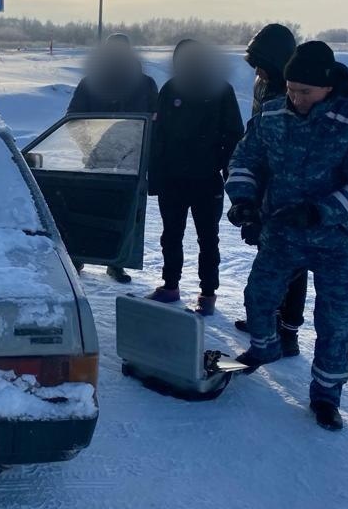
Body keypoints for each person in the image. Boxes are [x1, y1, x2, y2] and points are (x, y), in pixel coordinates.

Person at [225, 41, 348, 431]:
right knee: (258, 297)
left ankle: (325, 395)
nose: (296, 98)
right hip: (282, 234)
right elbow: (245, 160)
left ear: (328, 87)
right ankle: (264, 349)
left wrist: (320, 211)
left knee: (334, 321)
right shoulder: (271, 116)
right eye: (291, 88)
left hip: (336, 241)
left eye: (305, 91)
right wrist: (245, 203)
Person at [146, 39, 243, 314]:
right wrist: (156, 178)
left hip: (207, 180)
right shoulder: (170, 90)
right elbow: (158, 137)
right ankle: (170, 285)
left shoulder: (221, 91)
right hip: (172, 180)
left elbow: (234, 136)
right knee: (171, 235)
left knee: (208, 238)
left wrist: (231, 176)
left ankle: (208, 293)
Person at [234, 23, 306, 356]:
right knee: (268, 254)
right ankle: (264, 317)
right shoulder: (263, 84)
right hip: (264, 180)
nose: (258, 71)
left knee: (293, 258)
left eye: (262, 64)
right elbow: (257, 131)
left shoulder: (297, 92)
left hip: (291, 187)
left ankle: (288, 331)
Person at [66, 33, 158, 283]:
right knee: (88, 209)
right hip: (99, 158)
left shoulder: (145, 84)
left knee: (126, 212)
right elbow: (73, 118)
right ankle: (77, 256)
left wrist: (144, 152)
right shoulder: (90, 83)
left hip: (132, 161)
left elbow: (155, 120)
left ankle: (117, 261)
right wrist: (89, 147)